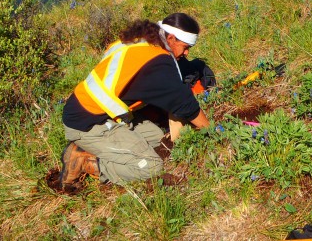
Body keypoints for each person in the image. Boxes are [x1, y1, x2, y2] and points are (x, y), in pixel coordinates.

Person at [59, 12, 210, 188]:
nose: (186, 52)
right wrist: (211, 131)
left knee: (157, 139)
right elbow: (185, 105)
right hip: (87, 123)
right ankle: (88, 160)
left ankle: (107, 149)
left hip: (105, 112)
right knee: (151, 167)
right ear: (171, 38)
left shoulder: (141, 42)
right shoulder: (157, 63)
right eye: (185, 47)